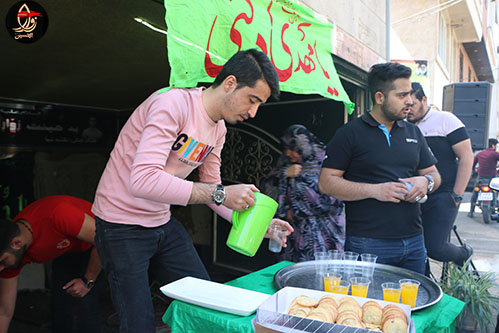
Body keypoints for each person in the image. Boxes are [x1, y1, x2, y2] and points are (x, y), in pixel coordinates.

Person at [91, 49, 294, 332]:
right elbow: (144, 180)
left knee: (205, 301)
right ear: (230, 83)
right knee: (137, 321)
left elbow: (212, 187)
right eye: (252, 100)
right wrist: (220, 193)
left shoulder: (219, 129)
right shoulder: (172, 104)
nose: (253, 112)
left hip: (161, 221)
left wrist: (260, 226)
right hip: (120, 224)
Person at [318, 62, 441, 275]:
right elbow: (326, 183)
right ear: (379, 97)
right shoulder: (350, 133)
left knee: (412, 307)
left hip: (414, 242)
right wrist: (375, 191)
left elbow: (435, 175)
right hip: (367, 244)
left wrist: (426, 182)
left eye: (410, 94)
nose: (410, 101)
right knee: (367, 306)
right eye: (402, 95)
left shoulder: (414, 132)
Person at [0, 195, 104, 333]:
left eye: (2, 261)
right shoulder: (9, 252)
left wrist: (87, 281)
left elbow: (105, 242)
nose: (1, 269)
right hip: (68, 248)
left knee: (85, 307)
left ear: (17, 243)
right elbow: (4, 312)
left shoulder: (59, 214)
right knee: (60, 308)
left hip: (99, 243)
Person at [407, 82, 474, 269]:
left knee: (434, 247)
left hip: (444, 194)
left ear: (424, 100)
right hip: (413, 195)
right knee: (415, 248)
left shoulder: (446, 120)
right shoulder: (402, 125)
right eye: (406, 106)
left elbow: (467, 157)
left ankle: (463, 253)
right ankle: (424, 285)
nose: (408, 110)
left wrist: (457, 195)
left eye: (412, 105)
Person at [261, 124, 345, 262]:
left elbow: (330, 200)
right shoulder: (285, 162)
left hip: (324, 236)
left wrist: (292, 212)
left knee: (323, 275)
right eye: (286, 149)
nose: (288, 153)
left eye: (292, 149)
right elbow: (266, 188)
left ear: (302, 147)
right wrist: (283, 173)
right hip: (294, 236)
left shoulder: (327, 162)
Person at [468, 138, 499, 217]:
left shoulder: (479, 154)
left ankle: (471, 211)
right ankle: (493, 208)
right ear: (493, 145)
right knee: (495, 191)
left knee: (475, 192)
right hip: (491, 178)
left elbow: (473, 164)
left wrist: (474, 170)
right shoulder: (495, 154)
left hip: (481, 177)